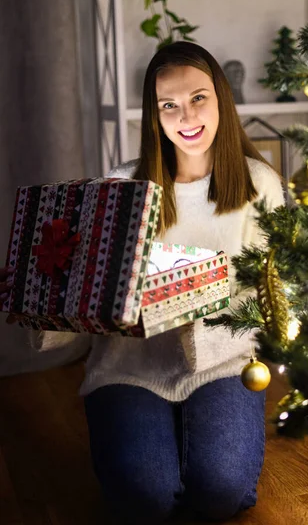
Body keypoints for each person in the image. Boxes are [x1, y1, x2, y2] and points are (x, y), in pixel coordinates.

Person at [0, 42, 284, 524]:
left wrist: (192, 319)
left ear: (222, 100)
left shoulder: (261, 184)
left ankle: (189, 427)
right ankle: (154, 429)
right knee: (145, 500)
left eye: (198, 98)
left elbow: (271, 297)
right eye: (168, 105)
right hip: (129, 370)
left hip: (219, 365)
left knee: (220, 494)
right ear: (154, 116)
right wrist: (38, 293)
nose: (186, 116)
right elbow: (92, 292)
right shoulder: (121, 187)